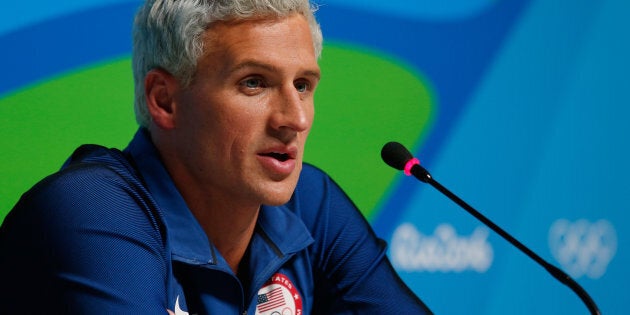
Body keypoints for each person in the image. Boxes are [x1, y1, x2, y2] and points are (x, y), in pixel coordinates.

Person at [0, 0, 433, 314]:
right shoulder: (93, 209)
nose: (295, 118)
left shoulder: (310, 202)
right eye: (254, 83)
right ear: (164, 101)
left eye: (302, 84)